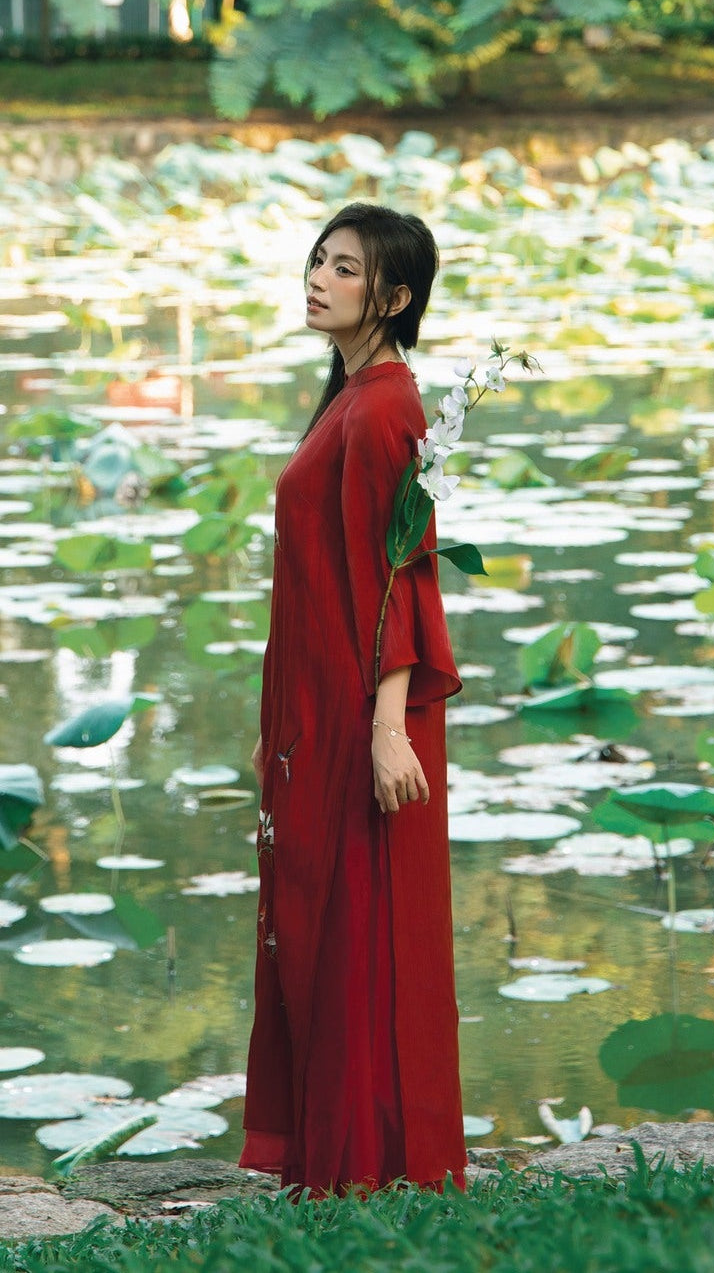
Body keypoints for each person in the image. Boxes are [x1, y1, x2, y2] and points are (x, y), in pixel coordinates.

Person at [239, 202, 466, 1197]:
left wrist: (386, 730)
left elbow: (398, 578)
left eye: (345, 268)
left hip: (361, 712)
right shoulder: (350, 397)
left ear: (395, 296)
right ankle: (337, 1160)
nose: (318, 278)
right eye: (318, 260)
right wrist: (284, 726)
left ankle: (370, 1163)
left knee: (358, 930)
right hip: (318, 705)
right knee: (319, 926)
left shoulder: (383, 408)